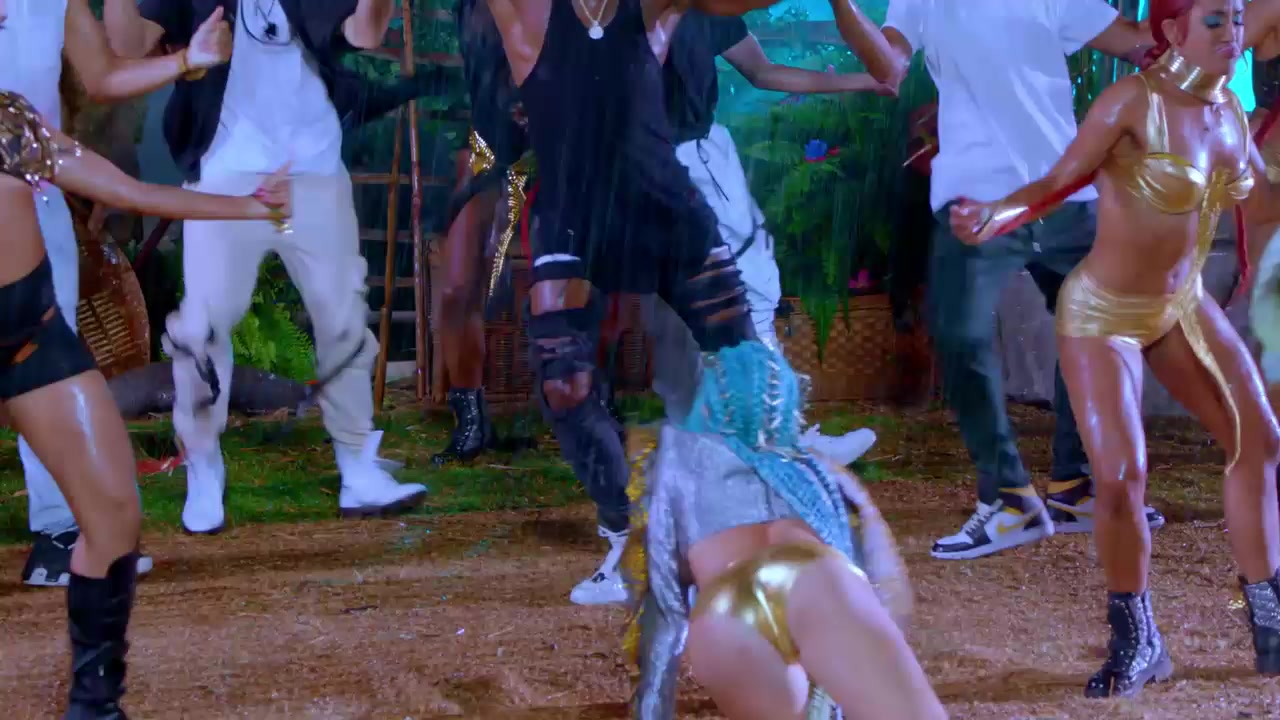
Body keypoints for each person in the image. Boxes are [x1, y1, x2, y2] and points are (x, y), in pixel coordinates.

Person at [952, 0, 1280, 696]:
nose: (1233, 33)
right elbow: (1057, 181)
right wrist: (993, 214)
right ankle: (1137, 637)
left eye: (1238, 17)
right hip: (1104, 312)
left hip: (1181, 304)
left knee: (1258, 439)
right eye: (1215, 20)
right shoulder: (1133, 101)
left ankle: (1270, 616)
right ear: (1172, 32)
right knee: (1122, 476)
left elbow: (1262, 200)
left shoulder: (1228, 112)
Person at [0, 81, 290, 716]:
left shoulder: (9, 124)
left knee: (113, 517)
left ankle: (96, 707)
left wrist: (250, 207)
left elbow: (131, 192)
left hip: (31, 342)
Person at [103, 0, 429, 535]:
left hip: (314, 169)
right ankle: (202, 464)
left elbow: (365, 32)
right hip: (222, 172)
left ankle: (357, 464)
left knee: (343, 316)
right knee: (201, 327)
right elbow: (127, 43)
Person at [876, 0, 1167, 560]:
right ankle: (1009, 496)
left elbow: (1139, 43)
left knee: (1100, 331)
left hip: (1065, 192)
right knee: (959, 334)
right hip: (975, 197)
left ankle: (1076, 486)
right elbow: (888, 65)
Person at [3, 0, 231, 586]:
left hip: (39, 190)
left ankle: (61, 532)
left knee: (48, 363)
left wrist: (186, 59)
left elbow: (101, 76)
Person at [623, 357, 944, 719]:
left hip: (726, 609)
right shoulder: (814, 465)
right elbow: (878, 566)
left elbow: (661, 604)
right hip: (814, 579)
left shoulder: (670, 466)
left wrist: (650, 709)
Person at [660, 9, 882, 467]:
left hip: (680, 157)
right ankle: (782, 442)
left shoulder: (702, 11)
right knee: (743, 292)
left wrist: (863, 81)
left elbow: (762, 70)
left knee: (708, 302)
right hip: (681, 162)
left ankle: (728, 443)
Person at [431, 0, 531, 467]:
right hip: (487, 146)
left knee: (570, 280)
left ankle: (593, 401)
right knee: (456, 289)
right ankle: (471, 421)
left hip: (553, 145)